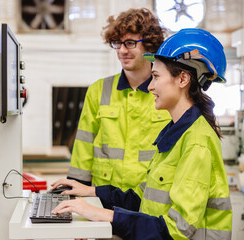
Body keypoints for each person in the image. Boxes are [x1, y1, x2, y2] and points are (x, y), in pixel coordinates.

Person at [52, 28, 232, 239]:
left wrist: (102, 214)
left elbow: (176, 230)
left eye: (156, 77)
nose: (151, 86)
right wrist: (90, 192)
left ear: (183, 79)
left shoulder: (197, 142)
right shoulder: (176, 133)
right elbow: (142, 197)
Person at [67, 8, 171, 191]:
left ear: (149, 45)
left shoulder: (166, 92)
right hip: (104, 198)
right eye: (117, 43)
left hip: (148, 202)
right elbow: (83, 144)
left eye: (130, 43)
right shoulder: (98, 90)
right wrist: (76, 190)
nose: (122, 50)